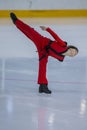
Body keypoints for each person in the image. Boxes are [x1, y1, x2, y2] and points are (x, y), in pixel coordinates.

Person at [10, 12, 79, 94]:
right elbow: (56, 36)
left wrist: (44, 54)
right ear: (70, 47)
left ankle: (43, 86)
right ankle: (16, 21)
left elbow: (52, 52)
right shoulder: (63, 45)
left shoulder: (61, 58)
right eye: (73, 51)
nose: (72, 53)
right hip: (43, 41)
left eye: (74, 54)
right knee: (30, 32)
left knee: (43, 67)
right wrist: (47, 29)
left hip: (44, 52)